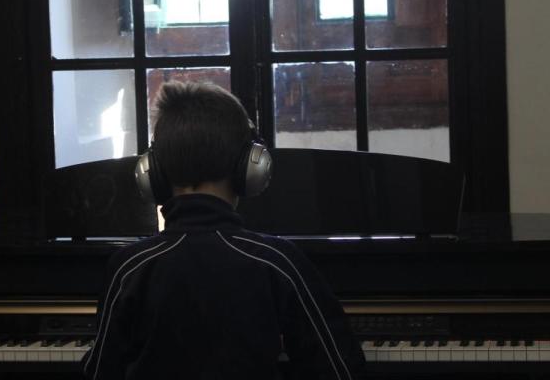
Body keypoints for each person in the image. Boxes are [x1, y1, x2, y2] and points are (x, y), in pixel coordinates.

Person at [81, 81, 363, 380]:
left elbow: (99, 371)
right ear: (249, 169)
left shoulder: (129, 267)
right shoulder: (278, 262)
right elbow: (341, 369)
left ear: (154, 174)